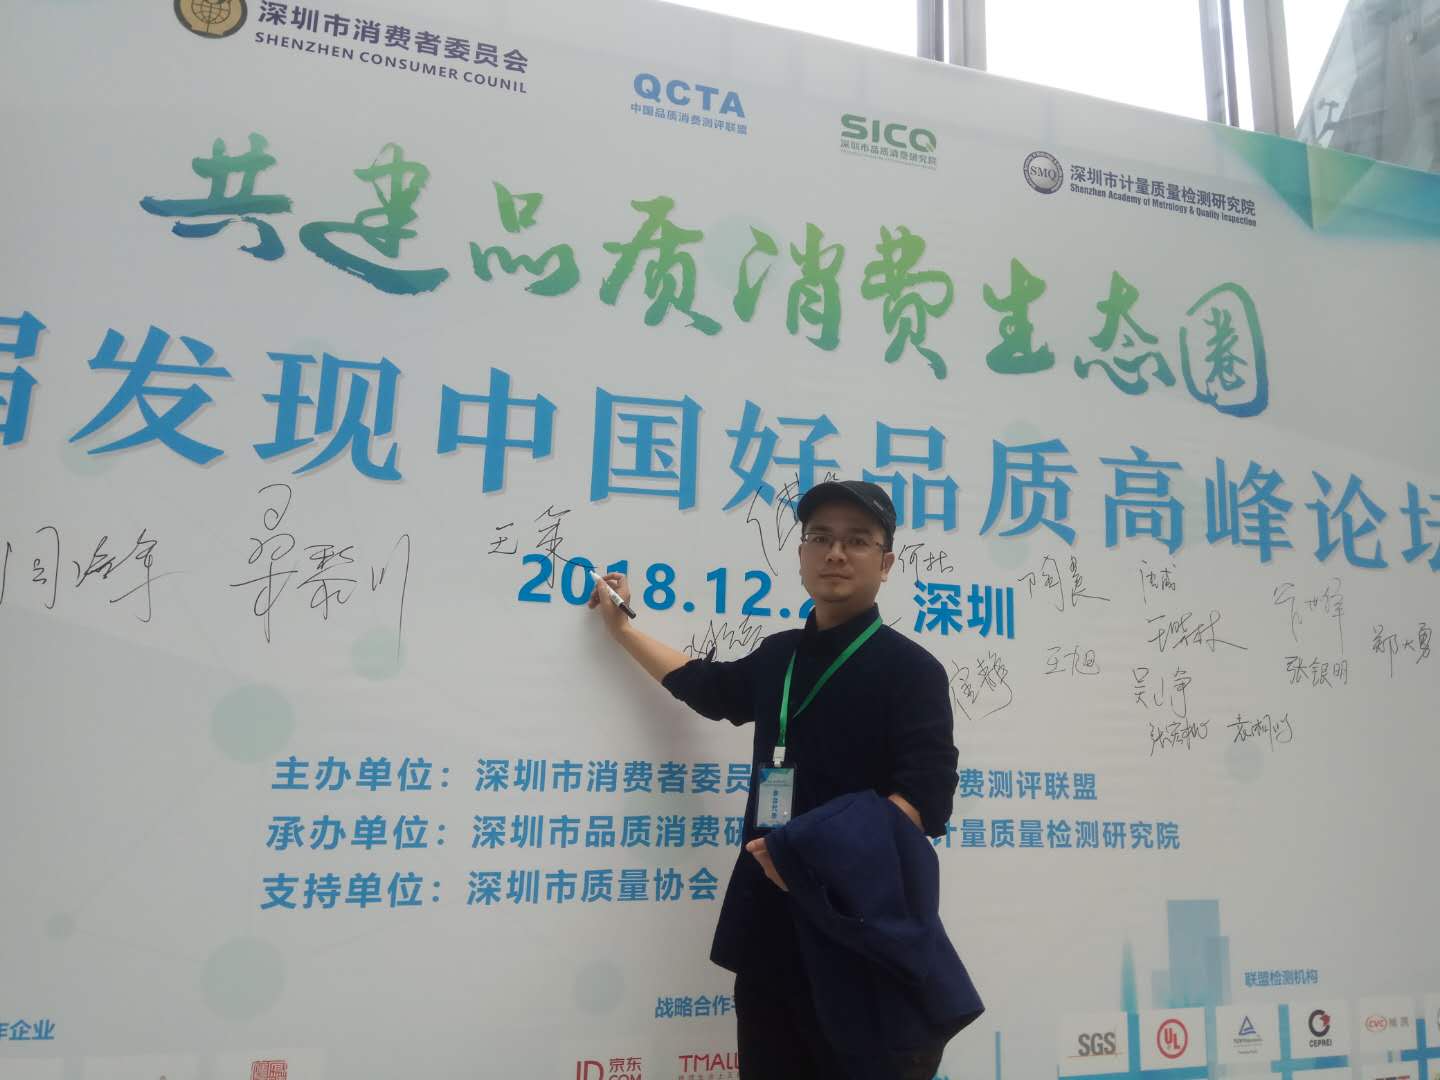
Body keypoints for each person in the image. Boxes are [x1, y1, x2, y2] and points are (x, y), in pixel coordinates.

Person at [586, 480, 962, 1079]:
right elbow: (710, 689)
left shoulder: (912, 670)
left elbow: (924, 798)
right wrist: (624, 631)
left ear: (886, 563)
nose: (836, 553)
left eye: (857, 540)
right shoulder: (779, 655)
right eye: (821, 537)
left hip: (857, 934)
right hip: (768, 928)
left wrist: (814, 860)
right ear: (802, 554)